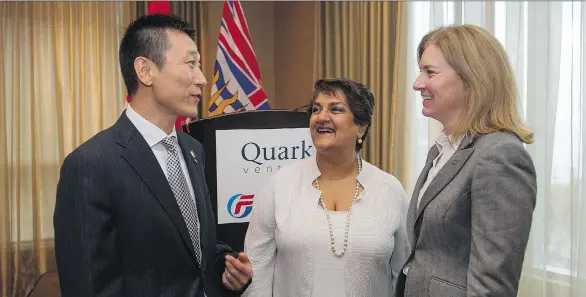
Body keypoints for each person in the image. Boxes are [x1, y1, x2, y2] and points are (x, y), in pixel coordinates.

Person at [53, 14, 253, 297]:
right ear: (145, 71)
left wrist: (226, 267)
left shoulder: (194, 150)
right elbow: (88, 286)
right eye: (190, 64)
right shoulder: (90, 164)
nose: (203, 79)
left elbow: (193, 246)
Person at [395, 24, 537, 297]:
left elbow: (492, 286)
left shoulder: (499, 155)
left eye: (430, 72)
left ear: (472, 79)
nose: (417, 83)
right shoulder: (441, 150)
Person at [243, 78, 410, 297]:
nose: (321, 117)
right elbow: (257, 271)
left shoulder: (390, 190)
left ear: (361, 126)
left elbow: (404, 274)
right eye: (316, 109)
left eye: (336, 109)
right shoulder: (280, 185)